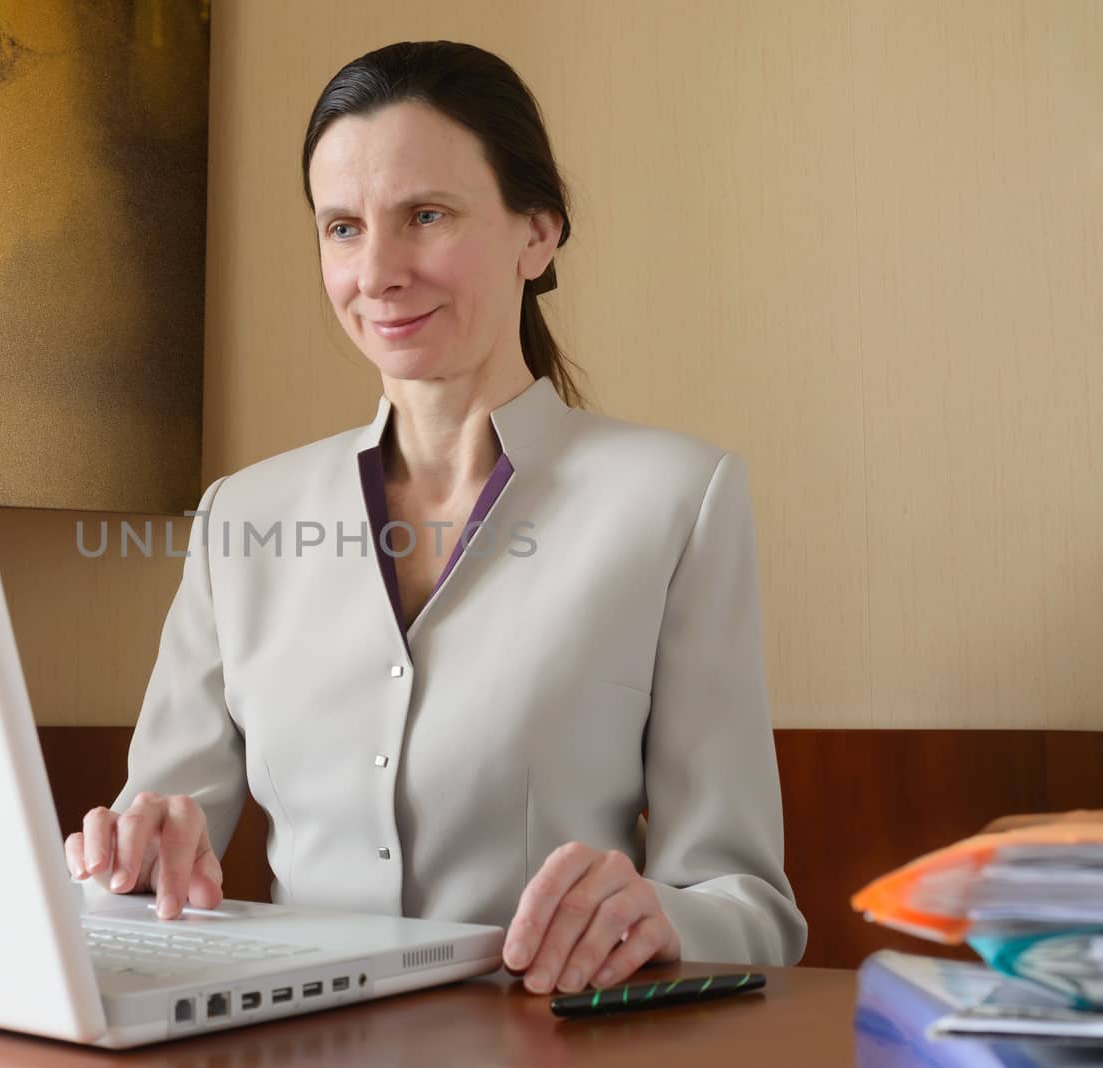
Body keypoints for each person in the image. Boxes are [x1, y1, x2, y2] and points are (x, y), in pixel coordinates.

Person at [65, 40, 807, 997]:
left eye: (425, 216)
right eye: (342, 228)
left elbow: (753, 907)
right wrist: (133, 855)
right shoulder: (237, 518)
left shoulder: (676, 499)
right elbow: (159, 844)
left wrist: (663, 914)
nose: (376, 271)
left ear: (536, 234)